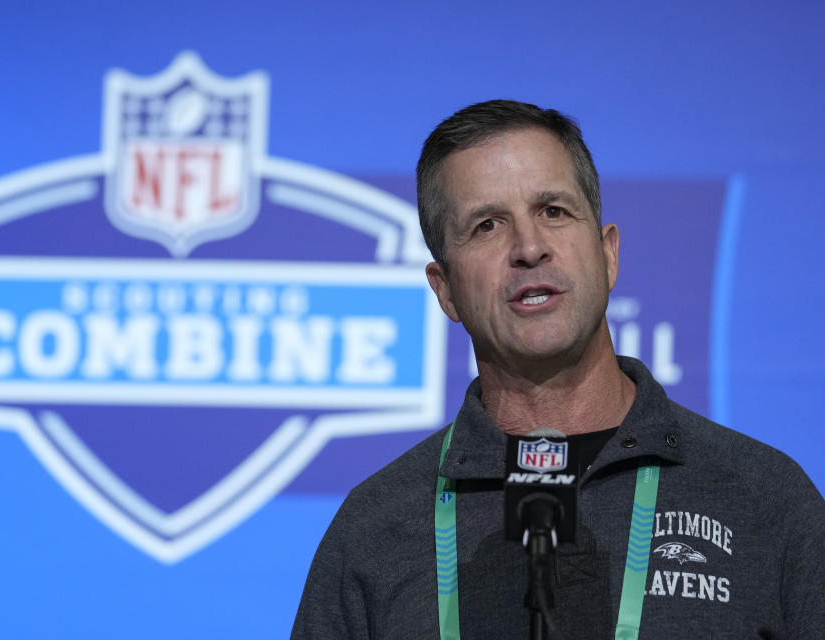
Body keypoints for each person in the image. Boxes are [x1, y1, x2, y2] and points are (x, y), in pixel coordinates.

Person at [291, 100, 825, 639]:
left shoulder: (765, 498)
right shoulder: (375, 528)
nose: (528, 248)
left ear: (608, 254)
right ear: (446, 289)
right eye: (487, 225)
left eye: (553, 211)